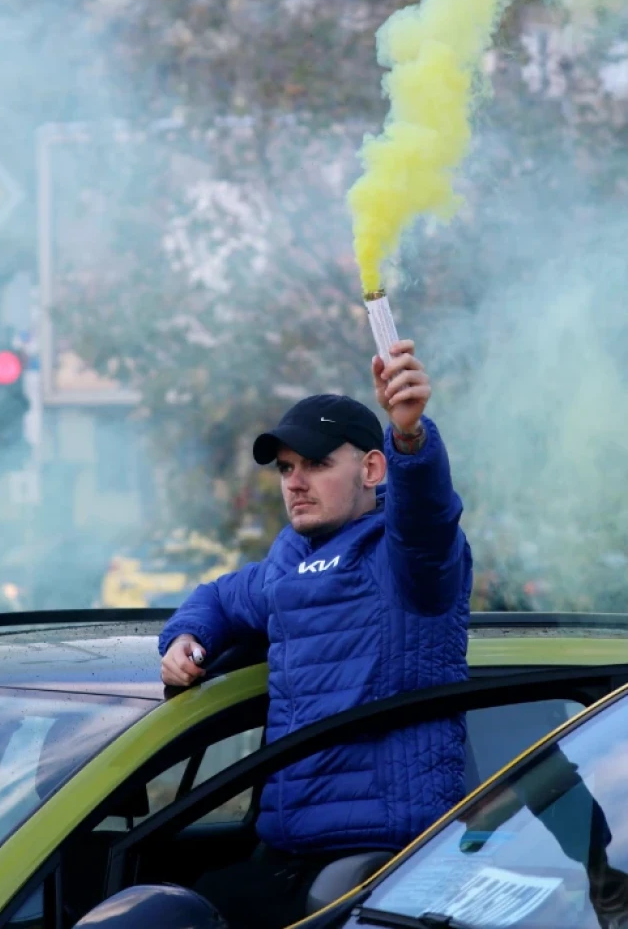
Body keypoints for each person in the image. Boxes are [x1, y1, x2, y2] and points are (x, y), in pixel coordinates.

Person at [159, 339, 472, 929]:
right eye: (286, 467)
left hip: (382, 864)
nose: (295, 482)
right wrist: (183, 640)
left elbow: (429, 519)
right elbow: (219, 597)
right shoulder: (288, 560)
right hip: (288, 848)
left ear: (372, 469)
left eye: (318, 463)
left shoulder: (402, 556)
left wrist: (410, 438)